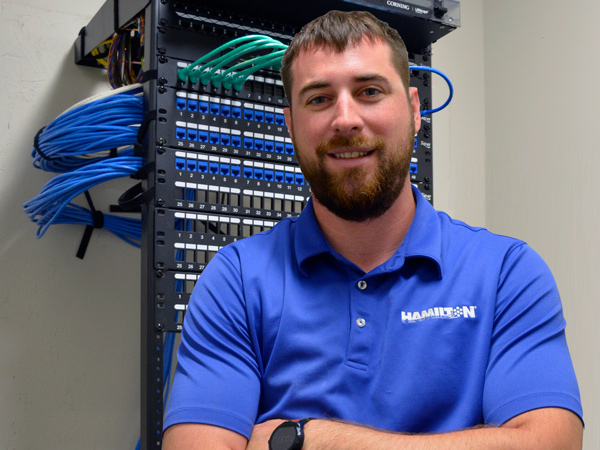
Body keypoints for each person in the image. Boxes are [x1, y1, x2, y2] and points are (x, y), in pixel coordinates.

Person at [163, 10, 583, 450]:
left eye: (369, 91)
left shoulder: (506, 275)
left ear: (415, 110)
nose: (345, 119)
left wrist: (309, 438)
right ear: (290, 127)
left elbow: (550, 443)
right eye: (319, 99)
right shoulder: (235, 282)